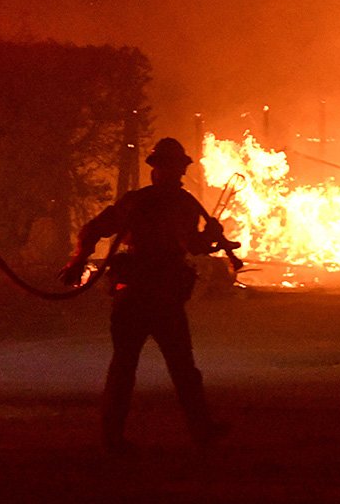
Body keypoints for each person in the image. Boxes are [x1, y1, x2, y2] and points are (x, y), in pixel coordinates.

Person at [58, 137, 229, 454]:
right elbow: (94, 229)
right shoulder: (151, 203)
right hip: (147, 296)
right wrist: (78, 260)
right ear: (159, 170)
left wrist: (210, 238)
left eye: (176, 168)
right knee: (144, 367)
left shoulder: (173, 204)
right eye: (170, 167)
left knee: (167, 367)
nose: (175, 174)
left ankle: (199, 430)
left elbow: (192, 245)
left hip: (149, 297)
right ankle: (191, 431)